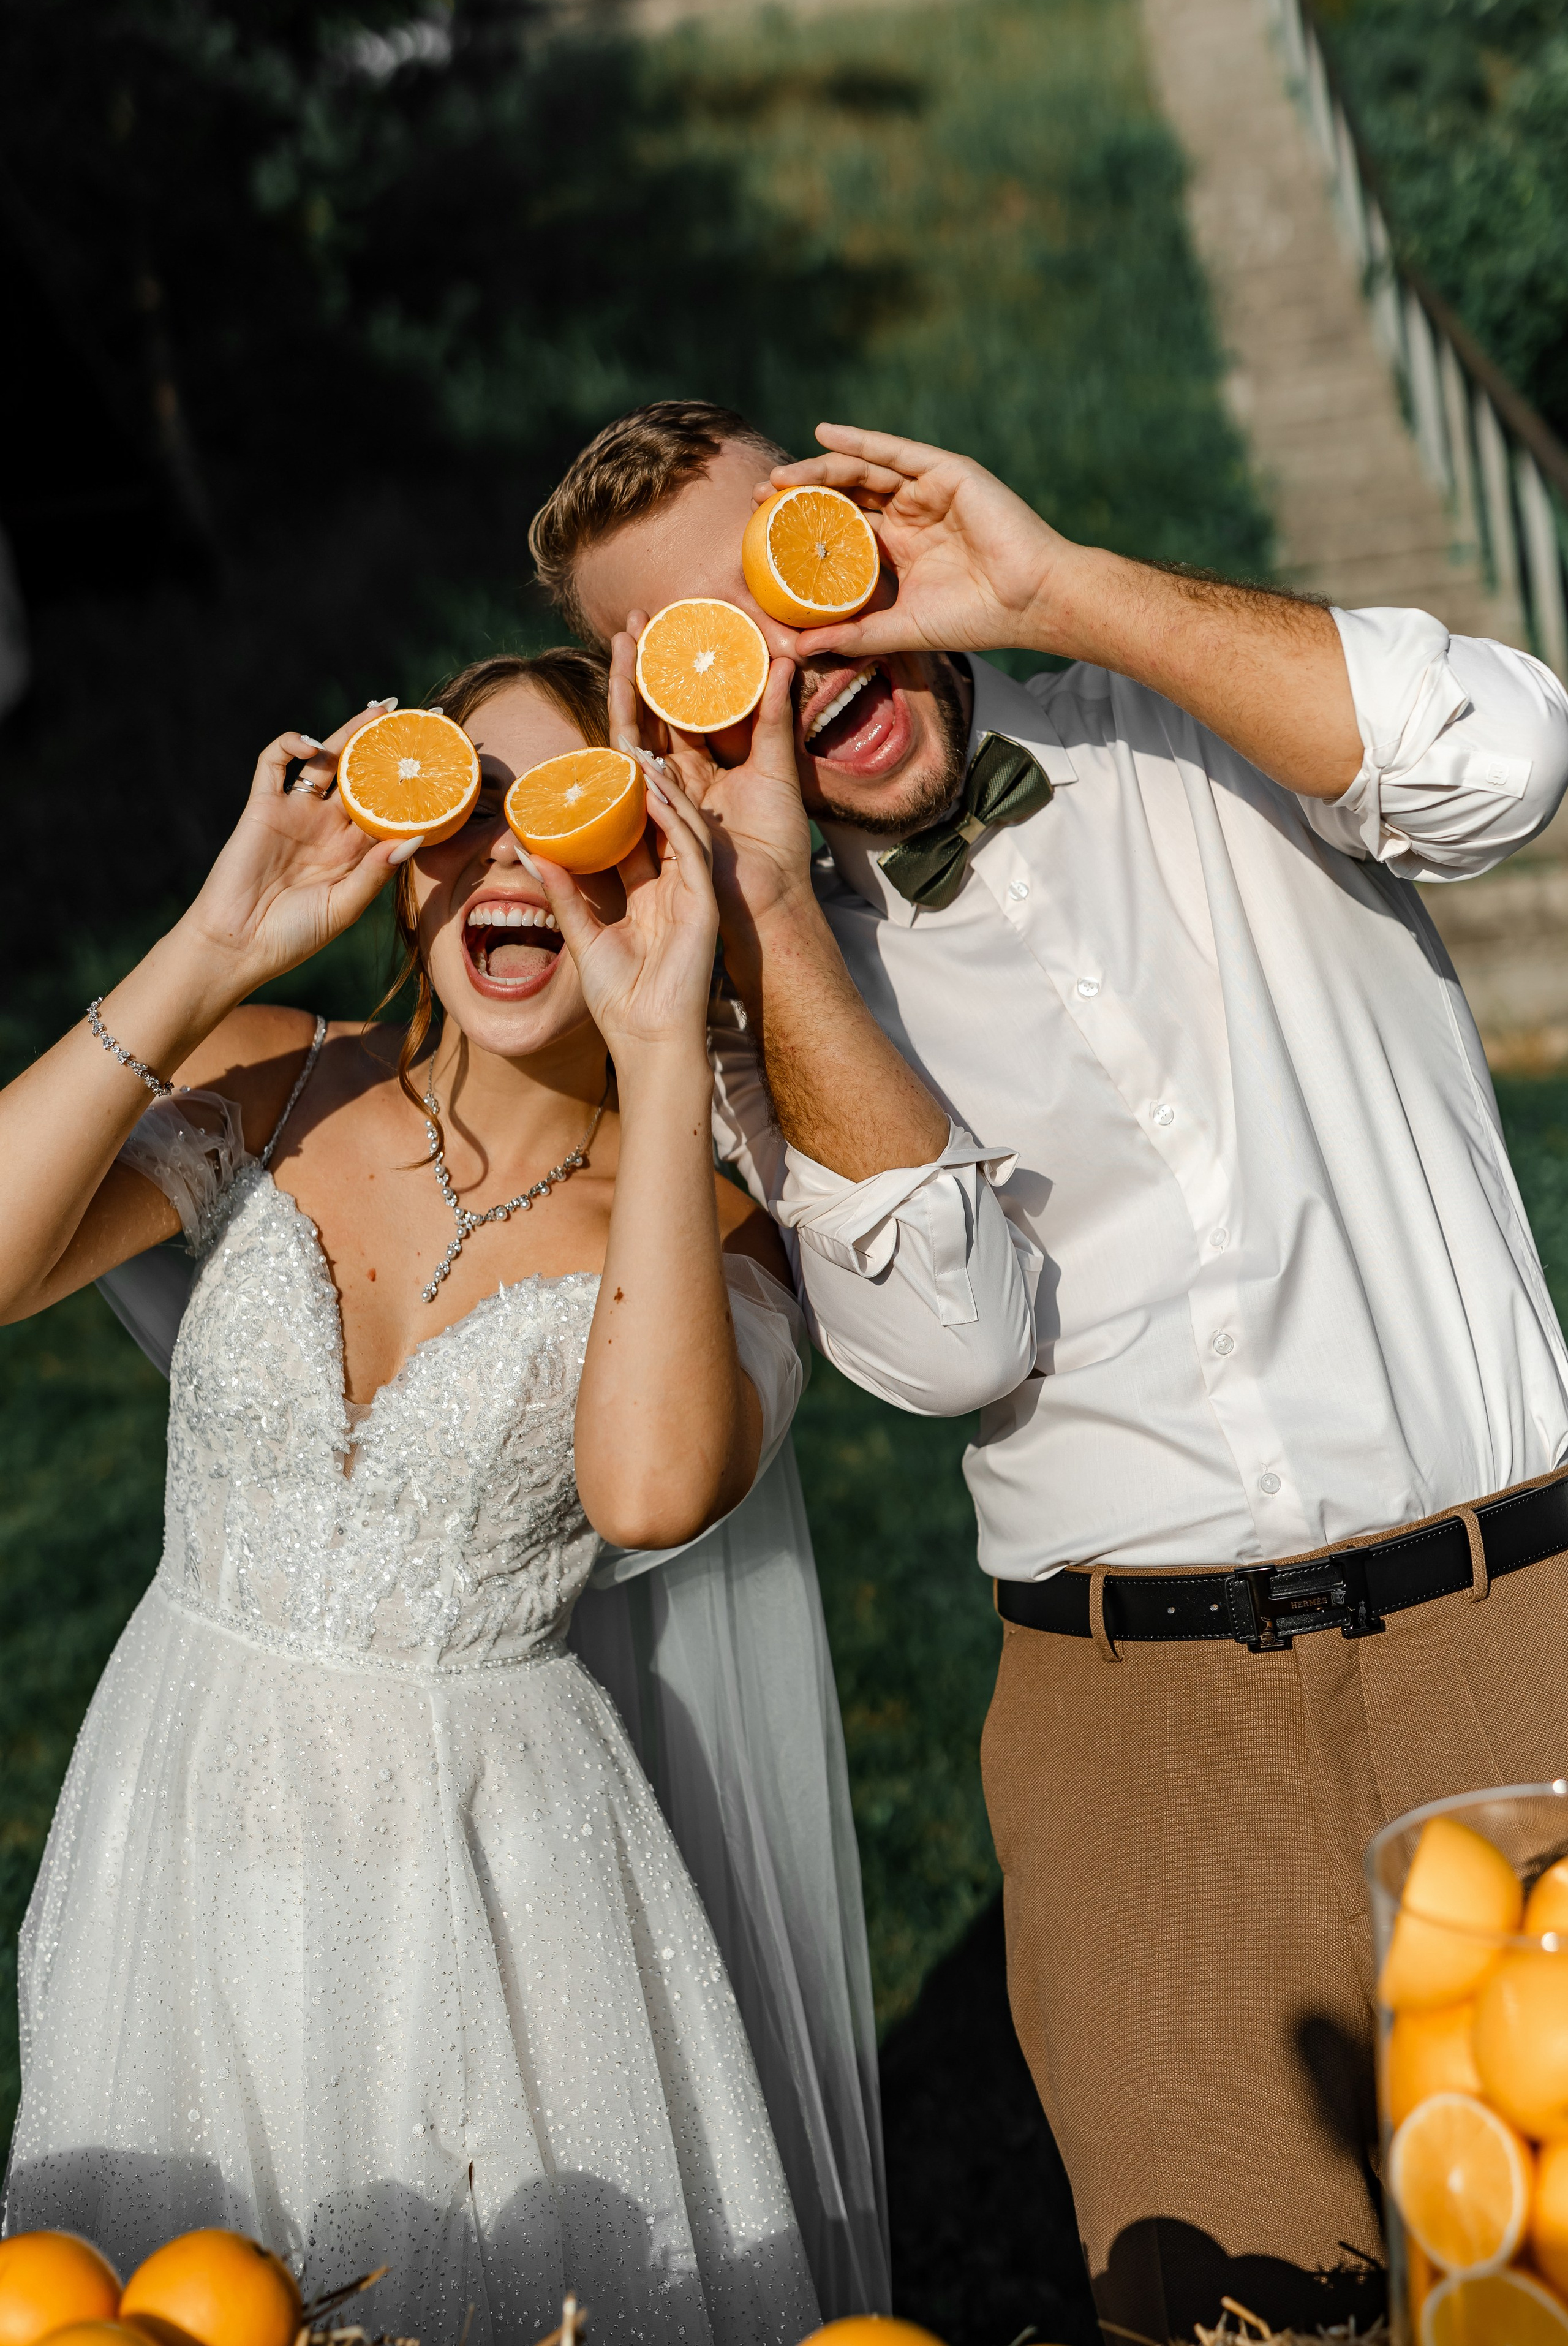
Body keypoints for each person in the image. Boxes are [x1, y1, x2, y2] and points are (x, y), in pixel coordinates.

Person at [528, 400, 1568, 2339]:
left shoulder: (1195, 712)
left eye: (788, 577)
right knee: (1228, 2310)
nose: (791, 665)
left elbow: (1505, 762)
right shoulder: (772, 1016)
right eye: (709, 654)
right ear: (662, 722)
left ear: (859, 528)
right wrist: (770, 914)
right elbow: (947, 1342)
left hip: (1517, 1641)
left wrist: (1063, 591)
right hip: (1140, 1742)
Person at [0, 645, 841, 2345]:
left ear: (657, 868)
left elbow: (651, 1490)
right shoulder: (269, 1079)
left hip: (483, 1882)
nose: (513, 858)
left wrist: (662, 1052)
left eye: (577, 816)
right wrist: (213, 946)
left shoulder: (701, 1227)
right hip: (175, 1814)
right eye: (465, 812)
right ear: (404, 866)